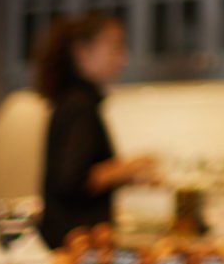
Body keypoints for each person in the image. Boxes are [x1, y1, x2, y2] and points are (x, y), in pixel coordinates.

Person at [32, 13, 157, 247]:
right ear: (82, 52)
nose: (123, 58)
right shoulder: (80, 105)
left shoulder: (74, 101)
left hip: (74, 242)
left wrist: (123, 174)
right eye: (115, 47)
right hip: (75, 244)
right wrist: (127, 169)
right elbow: (72, 181)